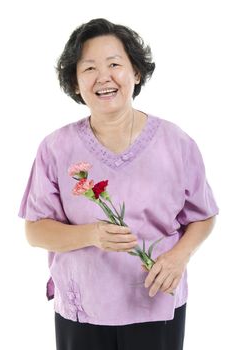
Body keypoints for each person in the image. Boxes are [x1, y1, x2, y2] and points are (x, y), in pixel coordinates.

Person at [18, 18, 218, 350]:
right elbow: (35, 231)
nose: (104, 77)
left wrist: (179, 257)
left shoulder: (176, 143)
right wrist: (92, 234)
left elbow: (202, 215)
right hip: (82, 310)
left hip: (156, 304)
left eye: (115, 64)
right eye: (89, 68)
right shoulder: (56, 148)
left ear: (136, 72)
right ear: (75, 81)